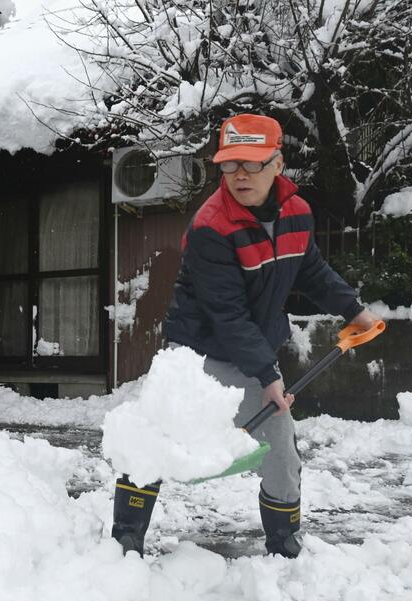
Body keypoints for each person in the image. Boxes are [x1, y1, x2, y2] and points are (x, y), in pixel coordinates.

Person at [111, 113, 380, 559]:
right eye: (230, 164)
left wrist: (354, 309)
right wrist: (268, 375)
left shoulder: (298, 213)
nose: (239, 175)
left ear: (278, 163)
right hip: (197, 353)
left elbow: (309, 269)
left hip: (253, 347)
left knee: (280, 451)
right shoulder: (210, 226)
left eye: (251, 164)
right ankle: (127, 537)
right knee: (157, 438)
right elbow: (227, 315)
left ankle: (284, 544)